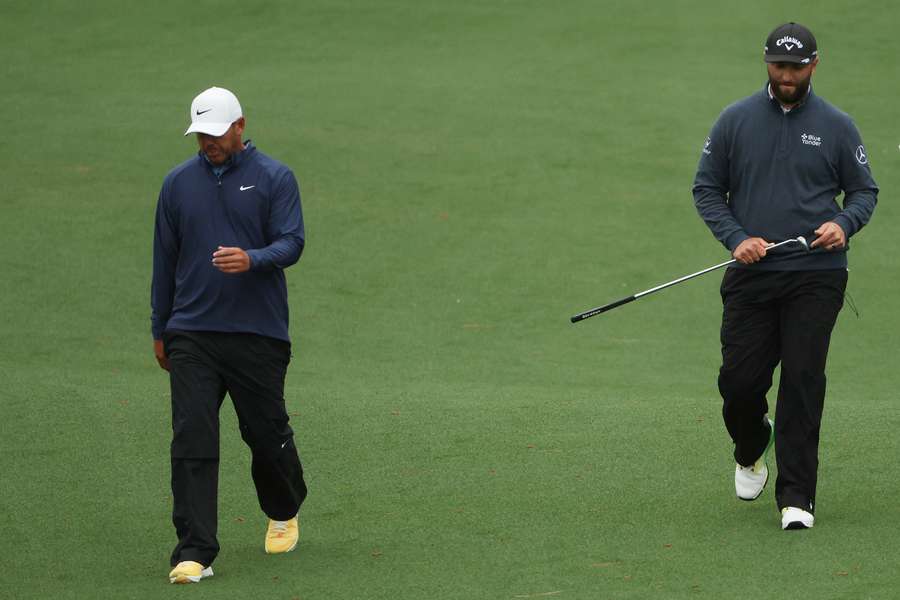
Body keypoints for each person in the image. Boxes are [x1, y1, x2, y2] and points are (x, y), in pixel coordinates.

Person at [692, 23, 877, 530]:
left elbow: (864, 192)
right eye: (779, 65)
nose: (787, 74)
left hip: (816, 275)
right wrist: (736, 238)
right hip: (752, 274)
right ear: (766, 63)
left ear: (814, 65)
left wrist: (843, 224)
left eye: (796, 67)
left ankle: (797, 497)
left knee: (802, 378)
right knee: (739, 382)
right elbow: (707, 188)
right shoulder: (735, 121)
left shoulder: (838, 126)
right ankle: (752, 444)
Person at [151, 86, 309, 583]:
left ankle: (284, 506)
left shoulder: (274, 178)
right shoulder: (177, 184)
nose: (209, 143)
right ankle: (194, 550)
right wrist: (161, 327)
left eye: (217, 133)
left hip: (256, 333)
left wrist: (252, 258)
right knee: (192, 435)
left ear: (240, 126)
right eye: (201, 134)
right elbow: (165, 261)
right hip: (192, 332)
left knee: (264, 433)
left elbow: (292, 241)